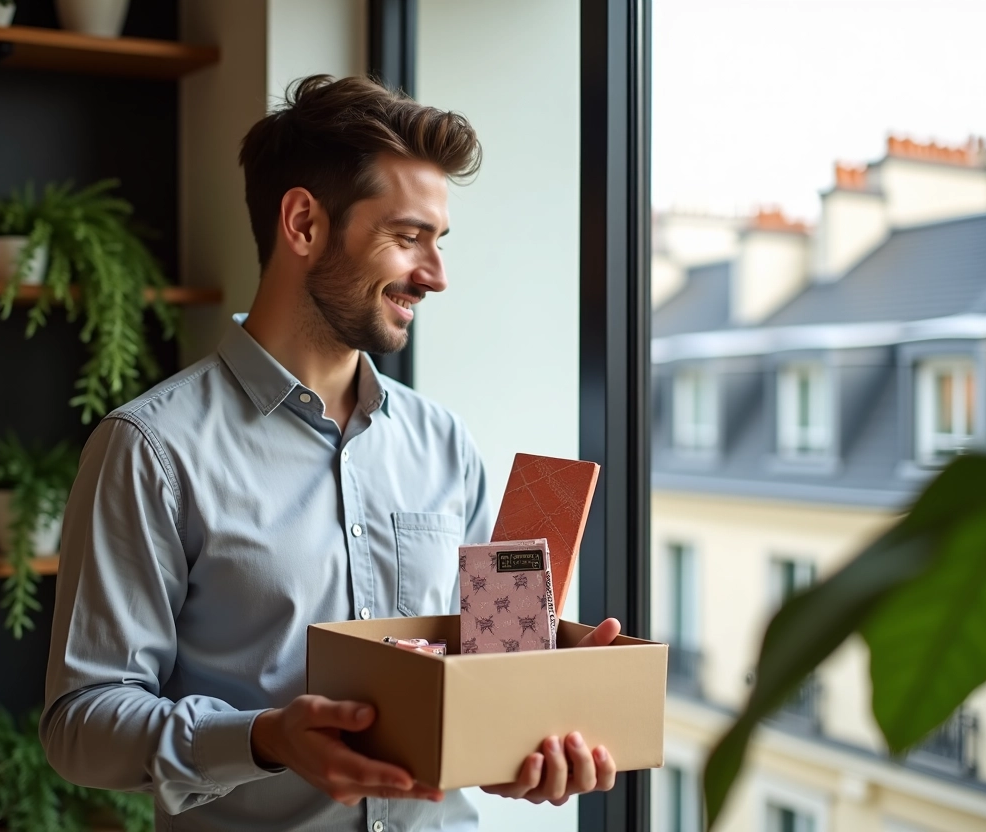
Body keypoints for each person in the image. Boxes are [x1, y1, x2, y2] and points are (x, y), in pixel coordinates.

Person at [40, 74, 620, 832]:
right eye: (407, 237)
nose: (436, 276)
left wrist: (534, 732)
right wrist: (263, 738)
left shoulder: (445, 442)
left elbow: (485, 674)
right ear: (304, 223)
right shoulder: (151, 450)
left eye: (439, 242)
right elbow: (81, 727)